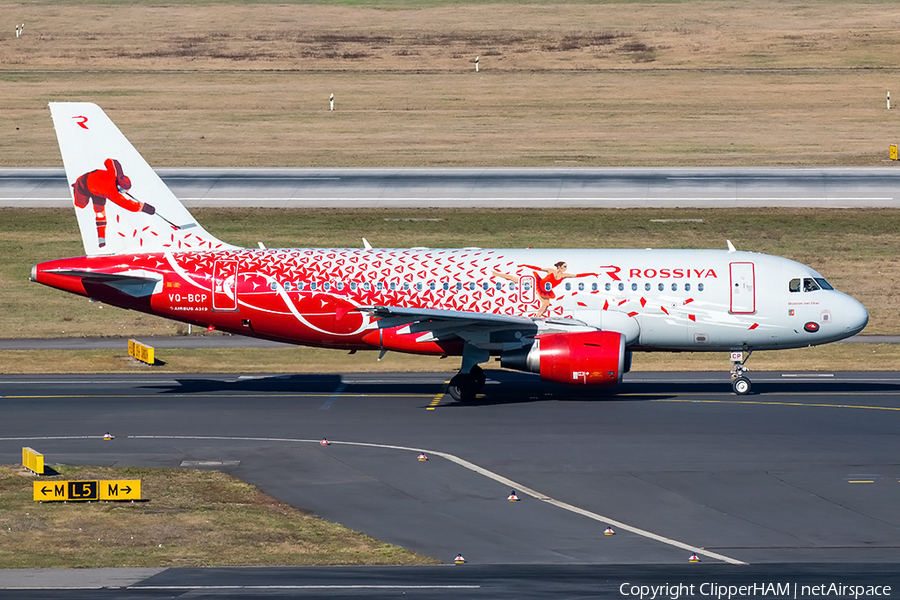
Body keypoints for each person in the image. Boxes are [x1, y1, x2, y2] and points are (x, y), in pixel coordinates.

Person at [72, 158, 156, 248]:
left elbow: (109, 161)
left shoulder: (115, 172)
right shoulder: (113, 193)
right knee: (80, 205)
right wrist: (145, 207)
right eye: (121, 190)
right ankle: (75, 186)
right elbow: (129, 205)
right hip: (83, 185)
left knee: (100, 214)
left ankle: (101, 238)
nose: (122, 192)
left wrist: (118, 173)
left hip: (99, 192)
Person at [493, 261, 597, 317]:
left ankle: (536, 317)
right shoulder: (551, 270)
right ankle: (496, 273)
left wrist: (592, 273)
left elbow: (578, 275)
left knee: (546, 304)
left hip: (544, 290)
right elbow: (538, 269)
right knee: (516, 279)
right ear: (559, 267)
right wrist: (525, 265)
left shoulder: (564, 275)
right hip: (538, 284)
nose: (566, 268)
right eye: (564, 266)